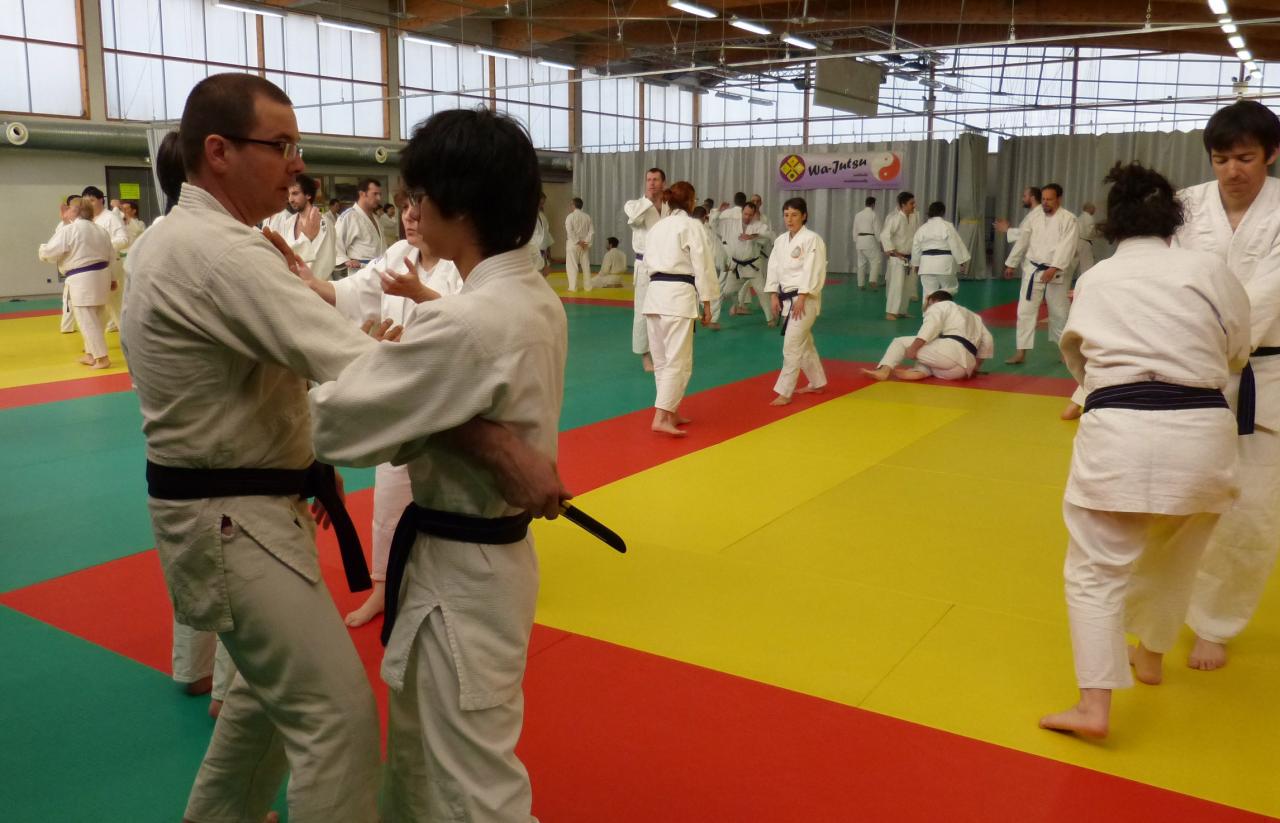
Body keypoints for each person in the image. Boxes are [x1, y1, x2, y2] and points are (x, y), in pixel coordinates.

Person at [124, 73, 564, 823]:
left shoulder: (199, 241)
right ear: (219, 152)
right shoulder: (220, 253)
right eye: (282, 145)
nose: (297, 162)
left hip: (257, 507)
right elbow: (352, 368)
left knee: (270, 705)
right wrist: (488, 439)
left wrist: (417, 366)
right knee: (337, 718)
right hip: (231, 514)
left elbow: (363, 387)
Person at [307, 107, 568, 822]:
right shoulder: (531, 298)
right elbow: (435, 415)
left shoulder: (471, 320)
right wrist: (427, 398)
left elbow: (335, 424)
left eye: (416, 198)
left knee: (475, 784)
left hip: (464, 570)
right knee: (423, 758)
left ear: (455, 203)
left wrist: (375, 358)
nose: (409, 212)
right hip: (468, 565)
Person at [1039, 162, 1250, 740]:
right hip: (1204, 435)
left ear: (1112, 226)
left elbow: (1079, 362)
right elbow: (1238, 349)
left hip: (1119, 434)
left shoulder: (1099, 279)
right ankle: (1151, 655)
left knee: (1094, 571)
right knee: (1176, 557)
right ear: (1174, 221)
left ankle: (1093, 706)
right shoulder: (1208, 267)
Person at [292, 192, 464, 629]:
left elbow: (472, 325)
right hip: (397, 396)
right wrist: (315, 285)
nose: (409, 215)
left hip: (447, 403)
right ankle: (384, 589)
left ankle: (448, 588)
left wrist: (421, 293)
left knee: (453, 498)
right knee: (389, 500)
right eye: (406, 206)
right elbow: (353, 291)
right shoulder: (397, 254)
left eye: (420, 207)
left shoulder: (458, 265)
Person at [1177, 99, 1280, 672]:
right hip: (1186, 369)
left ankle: (1216, 622)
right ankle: (1162, 612)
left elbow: (1266, 296)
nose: (1232, 171)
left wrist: (1209, 335)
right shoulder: (1185, 207)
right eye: (1221, 159)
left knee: (1252, 511)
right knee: (1175, 502)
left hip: (1266, 374)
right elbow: (1157, 278)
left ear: (1271, 154)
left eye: (1245, 157)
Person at [642, 181, 719, 436]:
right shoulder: (692, 226)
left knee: (662, 361)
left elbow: (646, 265)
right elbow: (703, 266)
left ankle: (671, 411)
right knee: (679, 361)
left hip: (653, 296)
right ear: (691, 201)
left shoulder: (657, 228)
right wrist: (708, 303)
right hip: (677, 297)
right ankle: (661, 417)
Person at [1003, 183, 1078, 365]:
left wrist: (1054, 268)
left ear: (1059, 199)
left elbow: (1067, 246)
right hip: (1033, 269)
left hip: (1056, 272)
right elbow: (1023, 240)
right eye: (1043, 199)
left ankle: (1064, 352)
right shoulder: (1034, 217)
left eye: (1049, 199)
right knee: (1025, 311)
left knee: (1059, 312)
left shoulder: (1069, 219)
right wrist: (1011, 263)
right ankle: (1021, 352)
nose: (1045, 203)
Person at [38, 197, 114, 369]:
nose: (66, 212)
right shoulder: (101, 230)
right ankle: (90, 354)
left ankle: (102, 358)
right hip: (103, 276)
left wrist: (42, 250)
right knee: (97, 318)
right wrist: (113, 278)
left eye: (70, 209)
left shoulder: (71, 230)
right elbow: (111, 256)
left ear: (76, 212)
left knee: (87, 320)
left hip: (83, 279)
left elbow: (50, 251)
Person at [767, 197, 828, 406]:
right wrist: (773, 294)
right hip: (786, 298)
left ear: (804, 216)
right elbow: (773, 267)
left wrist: (802, 297)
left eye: (794, 215)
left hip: (805, 300)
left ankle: (785, 392)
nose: (789, 219)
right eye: (786, 215)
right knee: (805, 344)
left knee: (792, 345)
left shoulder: (813, 239)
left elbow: (814, 269)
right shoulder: (781, 240)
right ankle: (817, 382)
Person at [862, 291, 993, 382]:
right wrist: (974, 367)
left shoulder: (939, 306)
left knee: (900, 342)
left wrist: (913, 348)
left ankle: (884, 370)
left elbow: (930, 327)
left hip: (949, 355)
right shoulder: (974, 316)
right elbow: (987, 341)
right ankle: (919, 372)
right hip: (960, 371)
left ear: (931, 300)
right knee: (931, 351)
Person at [624, 168, 669, 372]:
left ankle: (662, 351)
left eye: (656, 179)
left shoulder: (669, 206)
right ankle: (644, 356)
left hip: (666, 265)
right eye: (648, 179)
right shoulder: (634, 205)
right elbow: (635, 219)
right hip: (644, 266)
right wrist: (649, 201)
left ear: (664, 183)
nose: (651, 183)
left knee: (664, 311)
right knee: (643, 311)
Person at [267, 174, 335, 279]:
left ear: (308, 195)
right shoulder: (288, 222)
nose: (291, 199)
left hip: (317, 286)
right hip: (293, 282)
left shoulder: (323, 222)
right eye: (289, 195)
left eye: (295, 193)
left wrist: (309, 283)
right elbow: (285, 253)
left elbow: (325, 260)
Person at [82, 185, 129, 332]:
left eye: (92, 200)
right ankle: (95, 345)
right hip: (94, 268)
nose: (89, 204)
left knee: (115, 306)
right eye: (86, 202)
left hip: (111, 266)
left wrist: (103, 247)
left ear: (101, 200)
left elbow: (124, 239)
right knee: (98, 307)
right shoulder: (87, 221)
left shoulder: (110, 218)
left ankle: (129, 339)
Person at [726, 201, 776, 325]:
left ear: (754, 215)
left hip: (753, 267)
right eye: (745, 214)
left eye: (750, 215)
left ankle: (770, 318)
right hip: (737, 266)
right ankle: (736, 305)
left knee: (761, 292)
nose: (747, 217)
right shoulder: (733, 224)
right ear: (742, 212)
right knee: (727, 291)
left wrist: (753, 236)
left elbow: (768, 236)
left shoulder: (759, 225)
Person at [910, 201, 970, 299]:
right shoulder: (947, 226)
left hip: (926, 265)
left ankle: (929, 314)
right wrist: (961, 261)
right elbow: (955, 244)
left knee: (928, 294)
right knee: (949, 290)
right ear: (943, 212)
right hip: (944, 264)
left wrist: (916, 264)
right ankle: (943, 311)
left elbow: (916, 248)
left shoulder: (922, 228)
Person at [880, 191, 920, 320]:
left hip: (909, 257)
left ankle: (902, 311)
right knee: (896, 285)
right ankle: (891, 312)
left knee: (907, 286)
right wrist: (893, 251)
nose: (914, 205)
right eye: (911, 203)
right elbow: (884, 235)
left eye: (914, 202)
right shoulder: (895, 218)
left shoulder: (914, 217)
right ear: (903, 205)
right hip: (898, 258)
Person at [335, 177, 386, 277]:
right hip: (360, 272)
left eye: (380, 194)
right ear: (362, 194)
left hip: (379, 270)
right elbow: (335, 242)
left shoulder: (376, 218)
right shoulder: (349, 216)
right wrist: (346, 261)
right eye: (375, 194)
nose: (379, 198)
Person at [692, 207, 730, 329]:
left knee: (693, 291)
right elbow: (716, 251)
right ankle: (712, 320)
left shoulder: (688, 228)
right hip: (707, 266)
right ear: (704, 217)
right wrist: (723, 264)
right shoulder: (706, 231)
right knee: (713, 292)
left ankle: (694, 315)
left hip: (689, 267)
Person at [852, 196, 883, 290]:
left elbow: (855, 229)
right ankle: (872, 280)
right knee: (876, 260)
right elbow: (877, 230)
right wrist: (881, 241)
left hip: (859, 240)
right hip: (869, 240)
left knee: (861, 263)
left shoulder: (858, 214)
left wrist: (856, 240)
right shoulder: (873, 214)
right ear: (873, 204)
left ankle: (860, 284)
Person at [564, 197, 594, 291]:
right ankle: (588, 287)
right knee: (586, 266)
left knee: (572, 266)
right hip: (584, 245)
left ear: (573, 205)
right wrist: (586, 242)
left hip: (573, 245)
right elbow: (591, 232)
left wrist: (578, 241)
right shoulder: (587, 217)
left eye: (571, 204)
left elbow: (570, 231)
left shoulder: (570, 217)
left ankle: (573, 287)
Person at [531, 192, 553, 276]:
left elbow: (546, 235)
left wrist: (548, 254)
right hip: (532, 251)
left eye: (543, 203)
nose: (541, 205)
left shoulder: (542, 216)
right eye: (540, 203)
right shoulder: (528, 215)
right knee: (534, 276)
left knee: (542, 276)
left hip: (542, 251)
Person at [1077, 202, 1098, 274]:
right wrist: (1097, 232)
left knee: (1081, 265)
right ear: (1090, 209)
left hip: (1079, 242)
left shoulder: (1080, 217)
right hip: (1085, 243)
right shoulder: (1089, 217)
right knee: (1087, 265)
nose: (1094, 211)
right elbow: (1089, 232)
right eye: (1094, 209)